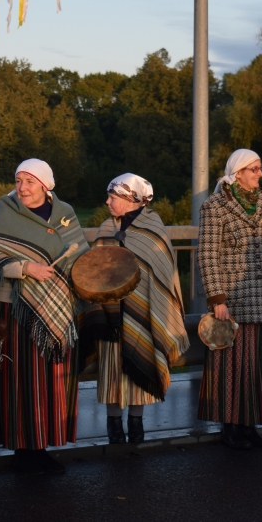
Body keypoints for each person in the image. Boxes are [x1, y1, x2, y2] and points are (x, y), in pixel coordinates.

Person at [0, 159, 89, 474]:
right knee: (19, 381)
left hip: (56, 308)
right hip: (15, 308)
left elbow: (79, 255)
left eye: (29, 182)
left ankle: (41, 445)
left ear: (45, 185)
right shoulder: (5, 209)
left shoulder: (64, 213)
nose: (22, 188)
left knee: (49, 381)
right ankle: (23, 451)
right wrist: (26, 268)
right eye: (18, 180)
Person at [79, 173, 190, 444]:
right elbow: (95, 269)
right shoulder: (106, 229)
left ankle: (137, 422)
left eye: (112, 197)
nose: (107, 202)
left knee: (141, 360)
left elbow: (163, 274)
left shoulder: (154, 229)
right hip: (110, 313)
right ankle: (114, 424)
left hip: (145, 313)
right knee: (112, 369)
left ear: (131, 199)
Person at [197, 149, 262, 450]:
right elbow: (208, 255)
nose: (260, 174)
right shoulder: (215, 207)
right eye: (254, 169)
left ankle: (250, 425)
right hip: (234, 299)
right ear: (238, 173)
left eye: (260, 168)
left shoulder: (260, 203)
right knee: (232, 367)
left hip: (261, 297)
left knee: (257, 366)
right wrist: (217, 298)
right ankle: (230, 428)